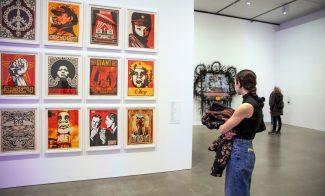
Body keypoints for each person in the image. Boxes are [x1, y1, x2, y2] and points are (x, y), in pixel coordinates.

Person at [218, 69, 265, 196]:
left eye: (235, 82)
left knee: (235, 192)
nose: (234, 85)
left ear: (239, 83)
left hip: (240, 152)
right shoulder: (254, 103)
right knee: (240, 190)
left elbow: (222, 128)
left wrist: (223, 126)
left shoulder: (246, 106)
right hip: (246, 149)